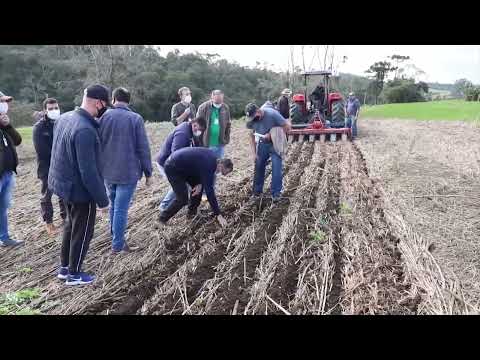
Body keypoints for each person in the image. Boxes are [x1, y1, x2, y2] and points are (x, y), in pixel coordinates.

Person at [49, 84, 110, 285]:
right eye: (104, 104)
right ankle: (74, 274)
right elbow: (89, 171)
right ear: (97, 102)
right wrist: (102, 200)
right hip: (80, 191)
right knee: (83, 232)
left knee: (69, 226)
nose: (104, 109)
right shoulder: (85, 130)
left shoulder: (65, 118)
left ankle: (64, 267)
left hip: (62, 185)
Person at [99, 87, 153, 255]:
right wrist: (148, 172)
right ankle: (118, 246)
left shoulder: (102, 117)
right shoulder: (135, 119)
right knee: (121, 209)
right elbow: (143, 148)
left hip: (108, 171)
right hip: (128, 172)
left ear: (113, 99)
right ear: (129, 101)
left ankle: (116, 238)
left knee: (114, 205)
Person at [158, 147, 233, 246]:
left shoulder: (213, 159)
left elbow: (199, 169)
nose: (219, 173)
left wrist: (200, 183)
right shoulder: (210, 165)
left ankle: (191, 214)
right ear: (220, 164)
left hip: (185, 168)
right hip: (173, 168)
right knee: (182, 199)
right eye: (222, 171)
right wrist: (218, 215)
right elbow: (210, 192)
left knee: (198, 188)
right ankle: (161, 219)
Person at [155, 116, 207, 211]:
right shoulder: (183, 134)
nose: (199, 132)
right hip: (166, 162)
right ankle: (164, 206)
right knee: (179, 184)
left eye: (201, 131)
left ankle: (173, 204)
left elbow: (197, 146)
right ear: (194, 125)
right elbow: (176, 154)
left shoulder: (191, 131)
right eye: (199, 129)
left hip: (174, 161)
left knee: (182, 184)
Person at [32, 98, 66, 237]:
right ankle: (49, 222)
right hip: (47, 167)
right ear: (45, 110)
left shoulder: (62, 123)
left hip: (63, 165)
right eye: (51, 108)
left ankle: (66, 217)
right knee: (47, 195)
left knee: (63, 193)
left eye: (56, 107)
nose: (54, 110)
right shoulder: (39, 128)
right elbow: (42, 150)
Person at [245, 103, 291, 203]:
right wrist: (253, 153)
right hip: (262, 144)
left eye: (254, 117)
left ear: (258, 111)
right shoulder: (250, 120)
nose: (253, 119)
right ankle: (257, 192)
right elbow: (251, 136)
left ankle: (276, 194)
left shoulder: (272, 114)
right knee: (258, 165)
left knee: (276, 168)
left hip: (275, 144)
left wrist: (272, 133)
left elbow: (287, 126)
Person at [0, 91, 23, 247]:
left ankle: (4, 237)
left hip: (7, 173)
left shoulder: (4, 125)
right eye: (1, 101)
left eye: (4, 102)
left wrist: (8, 125)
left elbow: (17, 140)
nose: (4, 105)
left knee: (2, 207)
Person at [196, 89, 231, 159]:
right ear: (212, 97)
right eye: (217, 101)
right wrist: (199, 142)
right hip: (206, 144)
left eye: (220, 101)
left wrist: (226, 139)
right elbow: (197, 125)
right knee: (206, 164)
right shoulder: (203, 107)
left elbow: (228, 124)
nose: (219, 104)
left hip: (220, 143)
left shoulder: (225, 108)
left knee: (218, 164)